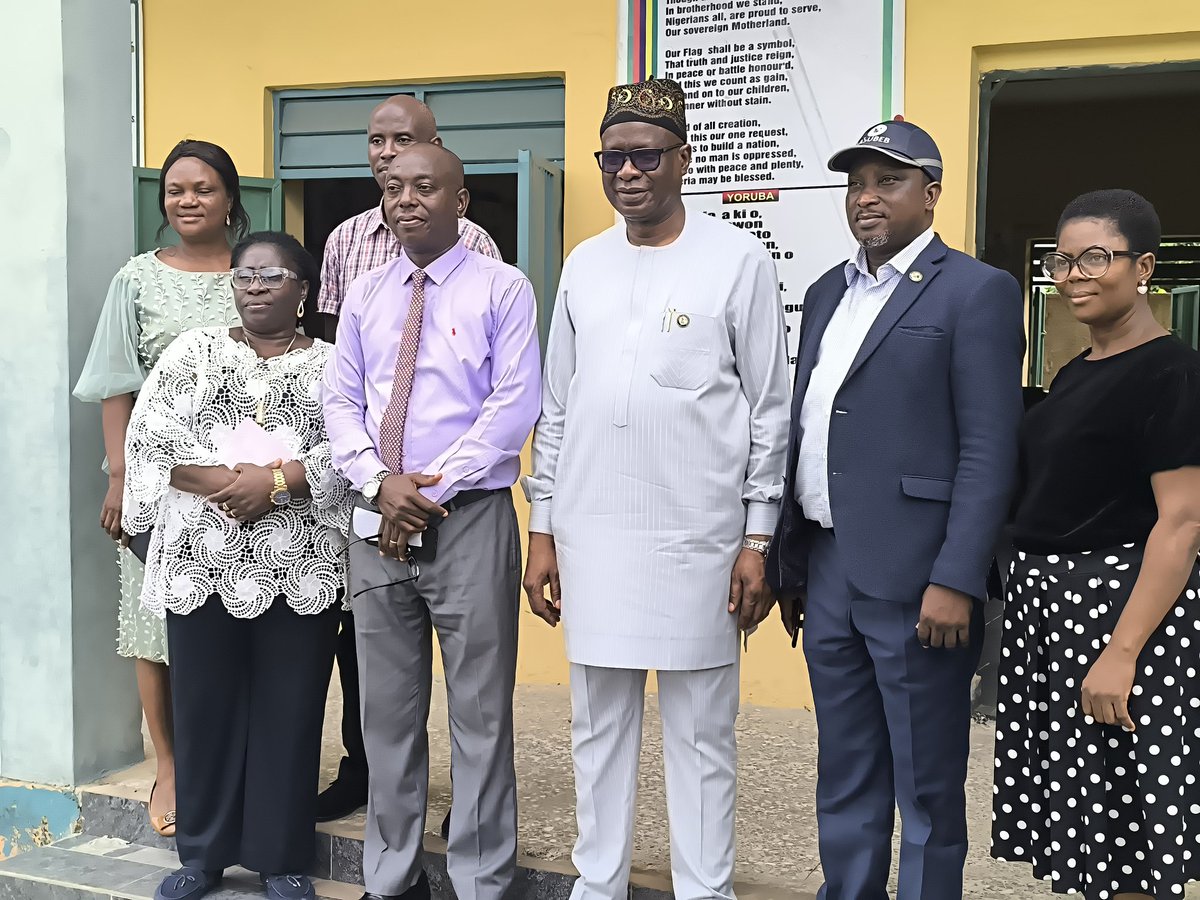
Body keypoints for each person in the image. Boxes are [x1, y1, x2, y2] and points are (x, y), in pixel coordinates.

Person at [523, 77, 791, 900]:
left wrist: (757, 539)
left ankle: (703, 892)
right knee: (596, 730)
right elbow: (559, 405)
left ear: (684, 158)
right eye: (613, 157)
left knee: (704, 736)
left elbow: (769, 408)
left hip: (701, 542)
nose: (626, 173)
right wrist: (543, 529)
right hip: (595, 536)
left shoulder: (736, 259)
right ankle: (596, 886)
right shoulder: (584, 264)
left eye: (644, 156)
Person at [766, 120, 1025, 899]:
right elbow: (811, 427)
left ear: (932, 194)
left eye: (889, 181)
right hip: (829, 565)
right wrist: (791, 559)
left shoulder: (977, 291)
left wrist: (957, 577)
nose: (867, 198)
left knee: (926, 784)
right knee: (844, 769)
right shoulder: (825, 292)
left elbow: (988, 450)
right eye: (857, 183)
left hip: (920, 578)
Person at [322, 142, 540, 900]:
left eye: (424, 186)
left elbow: (512, 406)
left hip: (470, 520)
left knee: (480, 711)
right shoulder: (365, 293)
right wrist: (381, 482)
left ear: (461, 201)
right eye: (393, 187)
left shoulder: (503, 289)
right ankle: (390, 875)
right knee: (386, 713)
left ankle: (482, 879)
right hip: (376, 524)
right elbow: (340, 401)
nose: (405, 198)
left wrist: (425, 489)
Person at [121, 232, 350, 900]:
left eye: (272, 275)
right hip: (204, 559)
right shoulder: (192, 352)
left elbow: (351, 447)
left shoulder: (334, 365)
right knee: (205, 705)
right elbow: (152, 435)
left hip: (300, 563)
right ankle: (204, 851)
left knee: (292, 705)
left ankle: (281, 856)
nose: (254, 285)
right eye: (245, 274)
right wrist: (229, 481)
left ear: (303, 291)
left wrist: (275, 484)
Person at [992, 190, 1200, 900]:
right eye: (1063, 259)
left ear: (1142, 267)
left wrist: (1122, 651)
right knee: (1084, 823)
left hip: (1117, 611)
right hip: (1051, 611)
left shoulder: (1173, 374)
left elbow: (1182, 522)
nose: (1074, 273)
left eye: (1096, 258)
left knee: (1128, 829)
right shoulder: (1076, 372)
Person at [314, 93, 502, 826]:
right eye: (380, 150)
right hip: (370, 498)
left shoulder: (487, 264)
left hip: (457, 505)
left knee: (477, 694)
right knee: (380, 692)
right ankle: (386, 839)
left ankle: (476, 841)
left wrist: (419, 493)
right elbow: (342, 379)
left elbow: (501, 396)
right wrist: (375, 481)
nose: (392, 166)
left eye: (409, 154)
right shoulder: (349, 258)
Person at [73, 139, 252, 838]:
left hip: (248, 486)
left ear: (230, 197)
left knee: (241, 624)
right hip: (158, 485)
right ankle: (172, 764)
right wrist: (119, 479)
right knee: (156, 632)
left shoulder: (257, 268)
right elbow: (116, 385)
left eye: (203, 188)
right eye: (176, 190)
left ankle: (234, 762)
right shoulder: (136, 280)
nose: (187, 200)